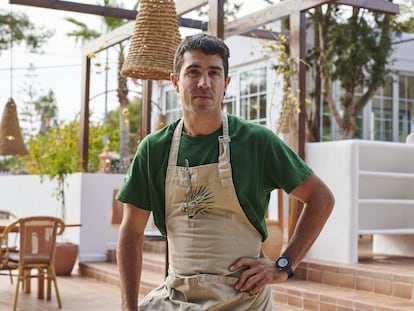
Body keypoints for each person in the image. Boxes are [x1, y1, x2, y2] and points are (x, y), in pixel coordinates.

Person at [116, 33, 334, 311]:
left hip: (243, 299)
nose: (204, 83)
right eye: (193, 72)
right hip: (176, 297)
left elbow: (321, 198)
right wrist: (128, 307)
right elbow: (131, 233)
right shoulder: (153, 149)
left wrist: (283, 265)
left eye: (213, 73)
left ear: (225, 83)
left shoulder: (257, 141)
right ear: (175, 82)